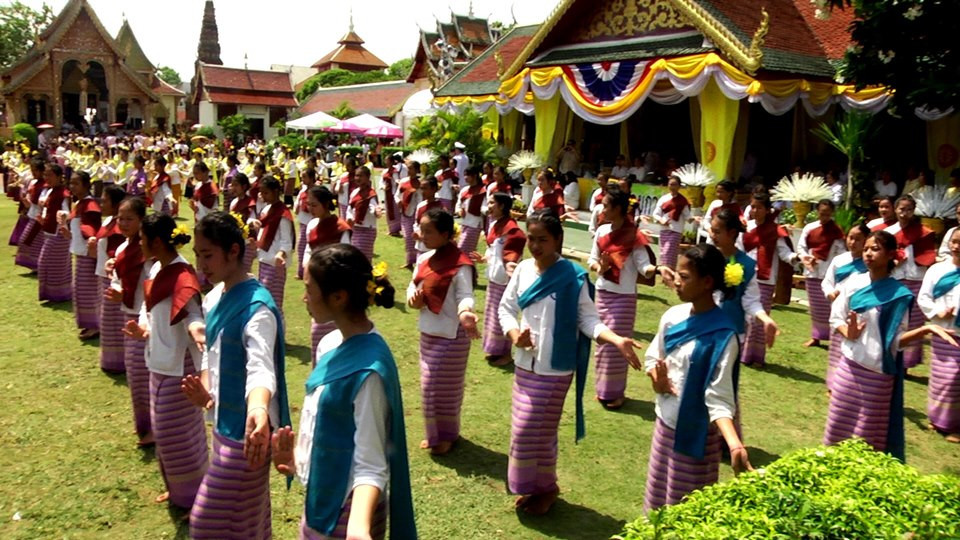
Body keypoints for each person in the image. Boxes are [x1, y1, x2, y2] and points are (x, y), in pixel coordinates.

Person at [498, 209, 641, 515]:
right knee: (526, 430)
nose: (535, 246)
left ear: (558, 240)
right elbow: (506, 308)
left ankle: (546, 488)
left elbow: (588, 320)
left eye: (543, 240)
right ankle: (538, 486)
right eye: (531, 239)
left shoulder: (574, 277)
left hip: (556, 369)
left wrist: (615, 339)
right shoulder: (523, 270)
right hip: (525, 366)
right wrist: (513, 334)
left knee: (532, 430)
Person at [272, 244, 416, 539]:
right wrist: (297, 460)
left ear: (338, 297)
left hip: (348, 512)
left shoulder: (368, 371)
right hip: (321, 499)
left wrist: (358, 528)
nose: (303, 298)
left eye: (309, 289)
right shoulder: (328, 345)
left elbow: (371, 463)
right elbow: (329, 427)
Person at [182, 211, 291, 539]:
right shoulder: (215, 296)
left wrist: (258, 410)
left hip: (249, 434)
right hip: (223, 424)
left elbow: (261, 368)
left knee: (204, 522)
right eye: (198, 255)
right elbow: (211, 357)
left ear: (233, 251)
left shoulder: (257, 309)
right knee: (244, 516)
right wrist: (206, 392)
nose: (202, 264)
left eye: (208, 255)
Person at [825, 230, 953, 460]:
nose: (869, 254)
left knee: (866, 436)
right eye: (866, 249)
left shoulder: (898, 295)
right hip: (849, 367)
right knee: (838, 424)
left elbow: (895, 341)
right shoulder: (854, 283)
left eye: (876, 249)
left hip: (877, 375)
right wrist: (848, 332)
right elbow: (836, 317)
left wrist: (925, 329)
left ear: (891, 254)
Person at [642, 244, 752, 511]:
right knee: (656, 501)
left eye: (685, 277)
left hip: (698, 436)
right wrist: (656, 379)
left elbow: (720, 398)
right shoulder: (672, 317)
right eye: (677, 275)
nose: (676, 282)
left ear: (707, 282)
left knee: (684, 507)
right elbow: (653, 357)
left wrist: (735, 444)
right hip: (665, 424)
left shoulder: (725, 336)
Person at [124, 214, 208, 509]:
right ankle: (178, 491)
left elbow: (193, 312)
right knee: (165, 433)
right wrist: (143, 328)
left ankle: (194, 495)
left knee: (179, 436)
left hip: (178, 366)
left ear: (157, 242)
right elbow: (150, 312)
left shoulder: (183, 275)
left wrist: (196, 328)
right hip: (157, 361)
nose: (139, 244)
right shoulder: (157, 267)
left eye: (142, 239)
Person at [407, 209, 479, 455]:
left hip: (452, 335)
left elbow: (465, 294)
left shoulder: (461, 264)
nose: (422, 234)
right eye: (421, 229)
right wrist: (413, 300)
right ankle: (435, 434)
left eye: (428, 231)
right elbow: (412, 286)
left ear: (445, 234)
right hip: (428, 332)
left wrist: (466, 312)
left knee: (444, 390)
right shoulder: (424, 259)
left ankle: (447, 435)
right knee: (429, 389)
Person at [588, 187, 658, 409]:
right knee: (603, 344)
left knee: (618, 347)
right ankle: (602, 390)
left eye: (606, 205)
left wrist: (657, 270)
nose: (602, 209)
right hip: (603, 293)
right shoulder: (601, 232)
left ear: (618, 209)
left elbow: (643, 265)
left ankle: (616, 393)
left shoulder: (634, 236)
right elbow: (592, 260)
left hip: (624, 298)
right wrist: (602, 266)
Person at [106, 196, 152, 446]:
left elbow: (152, 286)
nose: (122, 223)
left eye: (129, 219)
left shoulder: (148, 251)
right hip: (128, 315)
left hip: (144, 319)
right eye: (120, 218)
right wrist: (115, 286)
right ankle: (145, 425)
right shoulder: (123, 248)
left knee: (142, 374)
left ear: (141, 221)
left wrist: (123, 294)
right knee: (135, 375)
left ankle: (154, 427)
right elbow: (116, 277)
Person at [917, 227, 960, 444]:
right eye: (954, 241)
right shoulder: (937, 270)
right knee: (943, 378)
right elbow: (924, 298)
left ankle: (954, 425)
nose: (957, 246)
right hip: (943, 331)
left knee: (957, 378)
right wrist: (937, 312)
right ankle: (938, 419)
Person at [738, 195, 791, 366]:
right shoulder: (747, 227)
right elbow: (739, 249)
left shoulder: (775, 230)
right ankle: (742, 353)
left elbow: (784, 253)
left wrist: (797, 258)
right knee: (746, 315)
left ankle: (756, 356)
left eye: (759, 207)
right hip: (746, 276)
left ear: (767, 210)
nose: (755, 211)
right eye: (752, 207)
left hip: (766, 279)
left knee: (760, 319)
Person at [302, 186, 352, 362]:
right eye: (308, 204)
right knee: (317, 333)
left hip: (334, 286)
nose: (310, 208)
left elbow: (347, 257)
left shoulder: (340, 228)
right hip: (315, 284)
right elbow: (308, 252)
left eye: (314, 205)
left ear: (325, 204)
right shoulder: (312, 225)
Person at [887, 195, 937, 369]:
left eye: (909, 209)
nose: (905, 213)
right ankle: (891, 355)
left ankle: (907, 363)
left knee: (914, 322)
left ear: (913, 210)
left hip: (917, 279)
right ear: (895, 209)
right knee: (895, 319)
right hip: (895, 279)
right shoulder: (889, 233)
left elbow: (929, 255)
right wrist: (893, 263)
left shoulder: (923, 232)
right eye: (902, 209)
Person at [478, 193, 526, 367]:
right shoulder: (495, 225)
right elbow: (493, 250)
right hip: (494, 276)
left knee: (504, 315)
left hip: (504, 279)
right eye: (489, 202)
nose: (489, 206)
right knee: (493, 316)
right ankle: (496, 350)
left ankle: (506, 353)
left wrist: (510, 266)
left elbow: (514, 249)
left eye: (493, 203)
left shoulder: (511, 229)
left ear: (502, 207)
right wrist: (484, 259)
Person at [820, 223, 870, 391]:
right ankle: (833, 385)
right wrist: (830, 293)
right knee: (836, 349)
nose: (853, 242)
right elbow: (827, 282)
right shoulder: (839, 260)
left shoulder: (870, 263)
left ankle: (850, 385)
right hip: (839, 311)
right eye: (850, 238)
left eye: (858, 239)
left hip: (859, 311)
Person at [797, 199, 847, 348]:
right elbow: (801, 247)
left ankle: (834, 336)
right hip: (812, 270)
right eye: (821, 213)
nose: (824, 216)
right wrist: (806, 258)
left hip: (829, 271)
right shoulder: (810, 228)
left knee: (831, 306)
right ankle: (816, 336)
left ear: (832, 213)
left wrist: (837, 267)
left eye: (827, 213)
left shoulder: (836, 230)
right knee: (815, 306)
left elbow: (841, 251)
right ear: (817, 211)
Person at [63, 170, 101, 339]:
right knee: (80, 289)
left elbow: (90, 227)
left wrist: (90, 239)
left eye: (76, 183)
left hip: (87, 252)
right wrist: (70, 234)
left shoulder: (90, 205)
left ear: (86, 185)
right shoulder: (79, 203)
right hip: (79, 249)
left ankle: (95, 324)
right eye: (71, 183)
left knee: (88, 290)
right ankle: (89, 323)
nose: (72, 186)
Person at [95, 185, 127, 373]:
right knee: (108, 320)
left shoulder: (117, 227)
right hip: (102, 274)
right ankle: (112, 359)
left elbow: (116, 254)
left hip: (112, 278)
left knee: (113, 321)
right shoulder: (108, 221)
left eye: (105, 200)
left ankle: (118, 361)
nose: (101, 202)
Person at [252, 176, 294, 313]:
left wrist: (281, 254)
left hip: (275, 263)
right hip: (264, 259)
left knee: (274, 303)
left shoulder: (283, 214)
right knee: (263, 298)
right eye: (261, 192)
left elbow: (286, 240)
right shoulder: (266, 210)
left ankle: (277, 329)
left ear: (276, 191)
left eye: (266, 193)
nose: (263, 196)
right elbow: (264, 232)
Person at [35, 163, 73, 303]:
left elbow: (67, 212)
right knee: (49, 264)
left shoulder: (63, 194)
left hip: (58, 234)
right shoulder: (50, 191)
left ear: (58, 177)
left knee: (51, 263)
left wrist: (62, 221)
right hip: (49, 231)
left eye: (50, 175)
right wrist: (44, 219)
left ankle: (59, 294)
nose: (47, 178)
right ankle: (52, 294)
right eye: (45, 175)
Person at [647, 175, 691, 270]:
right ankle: (667, 273)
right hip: (664, 229)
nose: (672, 187)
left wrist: (694, 219)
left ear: (679, 186)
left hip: (676, 230)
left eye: (674, 184)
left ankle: (668, 272)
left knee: (668, 251)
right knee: (664, 252)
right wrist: (661, 220)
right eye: (670, 184)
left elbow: (687, 216)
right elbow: (656, 214)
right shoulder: (663, 199)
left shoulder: (683, 200)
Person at [14, 160, 46, 271]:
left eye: (35, 170)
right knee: (28, 241)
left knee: (34, 242)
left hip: (39, 216)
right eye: (32, 170)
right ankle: (34, 266)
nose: (33, 173)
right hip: (31, 213)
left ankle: (38, 266)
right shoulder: (34, 182)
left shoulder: (45, 185)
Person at [347, 166, 380, 261]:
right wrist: (350, 218)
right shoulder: (354, 192)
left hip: (367, 230)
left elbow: (374, 207)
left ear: (367, 177)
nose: (357, 178)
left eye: (360, 176)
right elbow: (350, 208)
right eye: (356, 176)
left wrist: (376, 211)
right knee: (356, 256)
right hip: (355, 229)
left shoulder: (371, 194)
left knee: (362, 258)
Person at [227, 172, 257, 273]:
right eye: (232, 185)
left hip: (248, 243)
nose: (233, 188)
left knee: (244, 270)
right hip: (235, 241)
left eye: (236, 185)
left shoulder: (250, 203)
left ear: (244, 186)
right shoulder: (233, 202)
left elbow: (251, 220)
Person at [696, 180, 740, 244]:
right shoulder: (715, 204)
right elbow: (706, 220)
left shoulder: (735, 207)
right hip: (712, 238)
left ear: (729, 193)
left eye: (721, 192)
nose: (718, 194)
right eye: (717, 192)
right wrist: (711, 232)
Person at [397, 161, 423, 269]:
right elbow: (397, 194)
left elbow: (420, 199)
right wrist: (398, 201)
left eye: (411, 168)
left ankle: (417, 260)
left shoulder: (419, 184)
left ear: (417, 170)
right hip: (404, 212)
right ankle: (409, 261)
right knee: (407, 237)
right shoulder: (403, 181)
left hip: (414, 213)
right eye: (408, 168)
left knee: (412, 237)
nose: (409, 170)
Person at [294, 168, 318, 279]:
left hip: (312, 222)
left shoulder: (316, 191)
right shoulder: (303, 190)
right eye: (302, 177)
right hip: (303, 221)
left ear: (312, 178)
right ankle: (301, 271)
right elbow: (298, 202)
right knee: (301, 247)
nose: (302, 179)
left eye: (305, 177)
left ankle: (309, 271)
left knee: (311, 247)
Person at [455, 166, 486, 254]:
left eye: (468, 175)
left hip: (475, 224)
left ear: (475, 176)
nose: (465, 177)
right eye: (464, 175)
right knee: (468, 253)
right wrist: (459, 210)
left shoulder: (483, 190)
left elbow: (484, 206)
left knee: (462, 249)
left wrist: (487, 210)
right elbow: (458, 204)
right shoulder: (464, 190)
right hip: (465, 223)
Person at [413, 177, 442, 258]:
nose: (422, 192)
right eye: (421, 189)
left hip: (433, 248)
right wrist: (418, 232)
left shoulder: (440, 207)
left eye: (425, 188)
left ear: (434, 189)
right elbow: (416, 223)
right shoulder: (420, 206)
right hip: (421, 246)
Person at [381, 154, 402, 237]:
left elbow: (396, 180)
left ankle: (396, 229)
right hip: (387, 193)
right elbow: (381, 181)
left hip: (393, 193)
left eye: (388, 160)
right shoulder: (384, 171)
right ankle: (391, 229)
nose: (386, 162)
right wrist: (383, 187)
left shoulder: (395, 171)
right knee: (388, 211)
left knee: (395, 211)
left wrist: (398, 183)